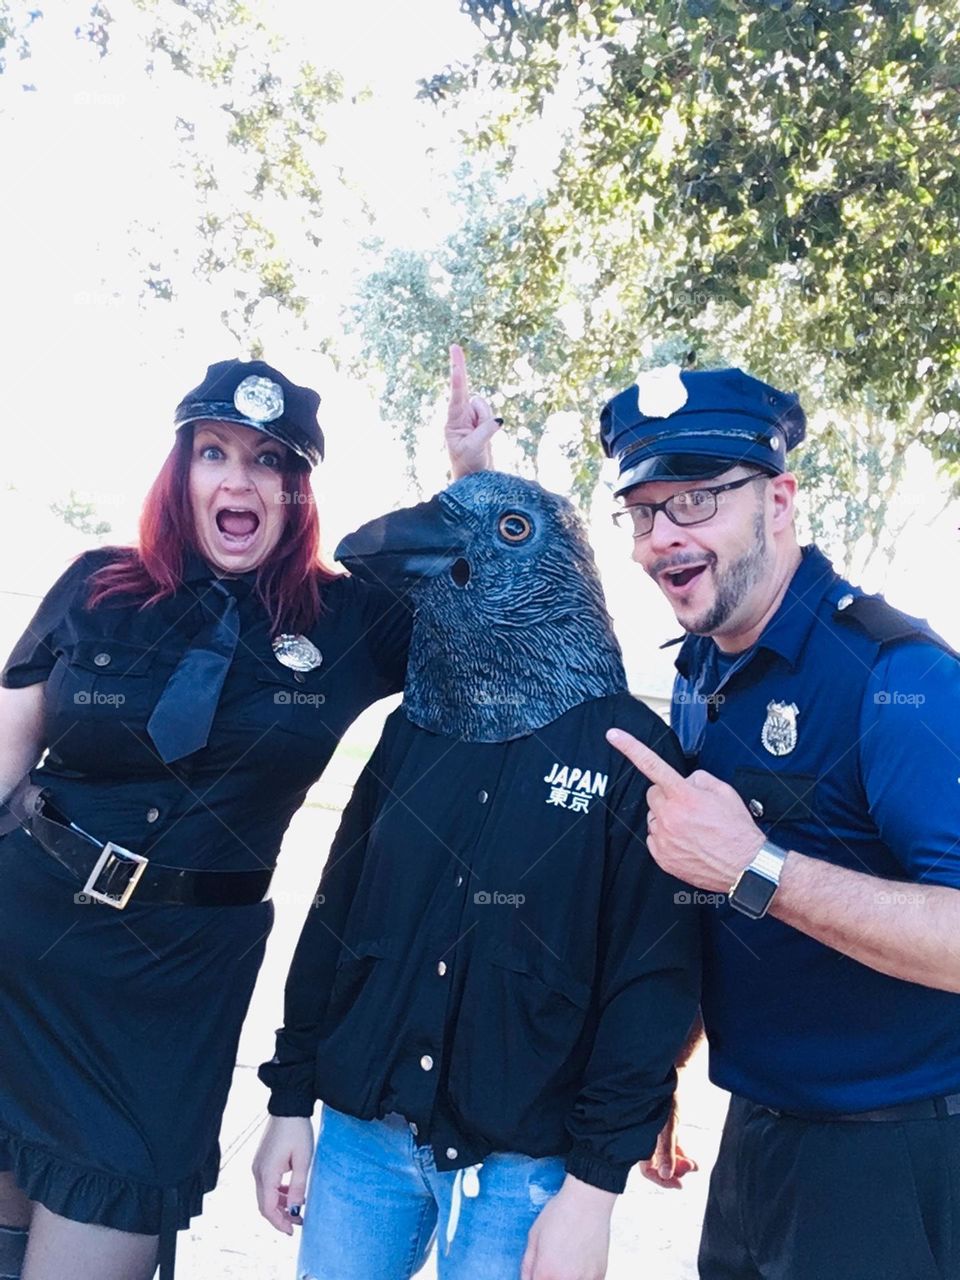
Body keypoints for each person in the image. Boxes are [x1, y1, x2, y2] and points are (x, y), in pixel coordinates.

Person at [0, 349, 493, 1280]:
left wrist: (472, 477)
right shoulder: (96, 586)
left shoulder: (353, 620)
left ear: (298, 490)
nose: (240, 479)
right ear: (180, 471)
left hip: (171, 993)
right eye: (215, 452)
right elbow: (5, 753)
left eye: (269, 461)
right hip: (21, 942)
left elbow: (496, 615)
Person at [251, 470, 701, 1280]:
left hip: (522, 1170)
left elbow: (655, 981)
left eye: (512, 536)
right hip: (363, 1138)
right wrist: (289, 1100)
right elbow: (335, 912)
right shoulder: (409, 733)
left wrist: (594, 1187)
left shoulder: (632, 753)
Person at [599, 363, 960, 1279]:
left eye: (696, 501)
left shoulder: (898, 676)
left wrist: (758, 866)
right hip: (757, 1138)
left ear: (780, 500)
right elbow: (708, 906)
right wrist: (668, 1063)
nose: (660, 538)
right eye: (643, 511)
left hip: (895, 1161)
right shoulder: (699, 675)